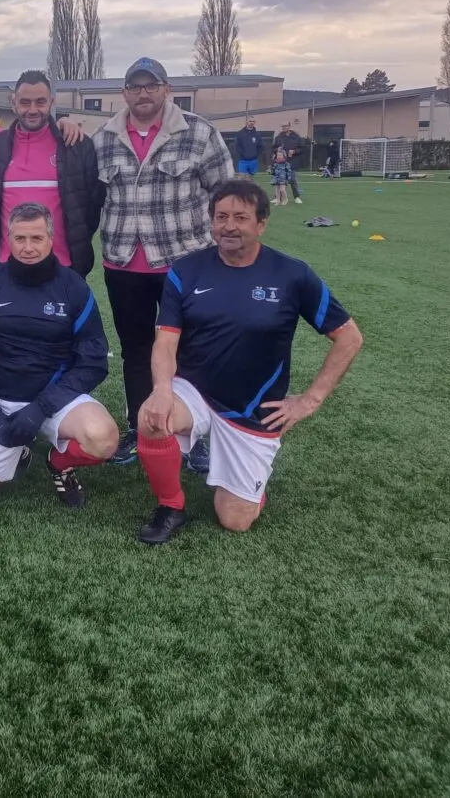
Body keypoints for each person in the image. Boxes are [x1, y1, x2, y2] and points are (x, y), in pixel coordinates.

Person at [135, 180, 363, 544]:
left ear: (261, 224)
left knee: (235, 520)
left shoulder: (293, 275)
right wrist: (162, 389)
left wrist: (310, 400)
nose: (229, 226)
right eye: (221, 217)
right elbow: (165, 341)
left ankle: (246, 486)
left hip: (252, 406)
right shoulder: (186, 270)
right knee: (151, 418)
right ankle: (170, 506)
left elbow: (349, 337)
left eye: (240, 217)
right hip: (194, 389)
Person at [94, 57, 233, 468]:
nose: (143, 94)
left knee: (189, 352)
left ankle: (192, 435)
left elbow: (227, 194)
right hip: (123, 265)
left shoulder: (199, 133)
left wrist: (225, 253)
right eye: (135, 87)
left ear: (166, 89)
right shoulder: (103, 138)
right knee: (136, 352)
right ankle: (140, 430)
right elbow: (89, 197)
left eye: (151, 86)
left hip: (184, 266)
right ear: (124, 93)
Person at [0, 203, 119, 507]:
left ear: (51, 239)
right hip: (1, 401)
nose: (28, 247)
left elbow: (93, 360)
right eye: (20, 238)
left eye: (36, 238)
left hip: (55, 400)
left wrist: (40, 408)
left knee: (104, 438)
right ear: (9, 239)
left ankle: (58, 462)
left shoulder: (73, 287)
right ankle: (18, 449)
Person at [0, 69, 101, 278]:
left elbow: (91, 207)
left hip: (62, 267)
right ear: (13, 103)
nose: (32, 110)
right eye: (25, 102)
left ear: (51, 102)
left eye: (40, 102)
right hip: (7, 266)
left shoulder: (74, 144)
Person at [276, 121, 306, 203]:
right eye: (283, 126)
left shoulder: (296, 137)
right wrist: (277, 150)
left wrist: (294, 151)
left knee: (292, 179)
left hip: (292, 161)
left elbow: (302, 148)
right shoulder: (279, 137)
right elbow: (274, 148)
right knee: (279, 180)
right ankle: (278, 197)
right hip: (281, 163)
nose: (284, 127)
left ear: (289, 126)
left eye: (285, 126)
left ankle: (296, 197)